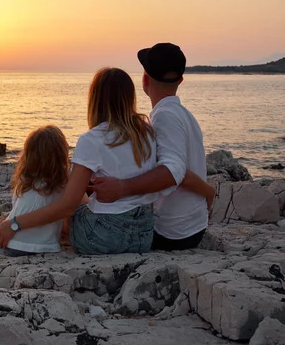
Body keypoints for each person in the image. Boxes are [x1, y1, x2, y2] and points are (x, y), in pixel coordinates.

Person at [0, 67, 159, 254]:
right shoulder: (147, 133)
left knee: (74, 203)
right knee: (84, 196)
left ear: (95, 100)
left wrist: (14, 224)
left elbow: (67, 206)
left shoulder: (93, 139)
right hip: (144, 234)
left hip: (106, 237)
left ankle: (57, 237)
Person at [91, 43, 215, 251]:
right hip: (193, 227)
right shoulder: (185, 115)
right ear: (180, 80)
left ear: (145, 79)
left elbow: (174, 171)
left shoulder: (163, 117)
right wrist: (209, 192)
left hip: (172, 233)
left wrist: (121, 188)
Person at [0, 125, 70, 256]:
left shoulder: (23, 179)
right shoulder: (66, 177)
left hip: (10, 244)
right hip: (46, 247)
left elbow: (18, 208)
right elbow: (73, 207)